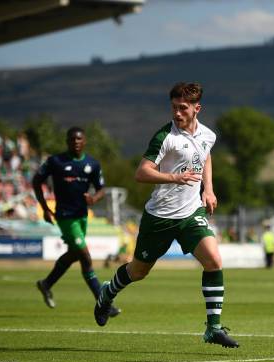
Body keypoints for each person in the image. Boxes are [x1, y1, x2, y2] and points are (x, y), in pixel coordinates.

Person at [94, 82, 239, 348]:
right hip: (159, 216)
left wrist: (208, 189)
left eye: (183, 108)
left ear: (197, 108)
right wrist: (175, 177)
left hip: (190, 213)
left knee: (214, 260)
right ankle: (107, 293)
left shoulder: (208, 135)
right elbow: (141, 172)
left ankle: (213, 328)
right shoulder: (165, 137)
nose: (177, 113)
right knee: (138, 272)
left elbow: (205, 156)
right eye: (174, 107)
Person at [33, 127, 120, 317]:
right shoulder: (55, 161)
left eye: (79, 139)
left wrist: (94, 199)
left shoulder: (92, 164)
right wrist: (45, 208)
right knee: (86, 258)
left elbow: (101, 189)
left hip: (82, 217)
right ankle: (104, 304)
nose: (76, 142)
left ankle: (46, 283)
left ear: (85, 141)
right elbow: (36, 180)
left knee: (75, 254)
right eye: (72, 139)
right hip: (64, 216)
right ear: (67, 141)